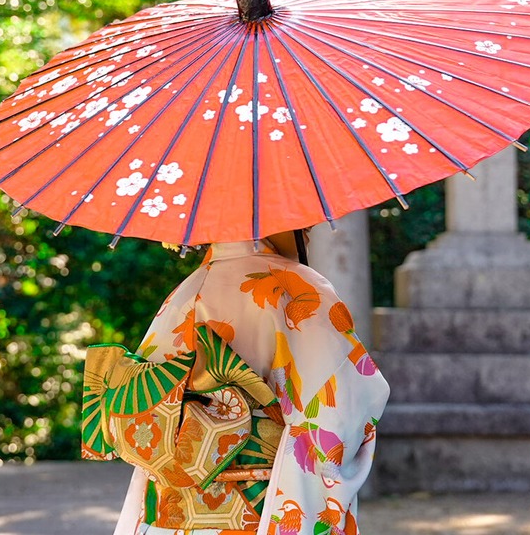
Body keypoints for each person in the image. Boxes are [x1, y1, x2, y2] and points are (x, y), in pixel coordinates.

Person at [84, 229, 390, 535]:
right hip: (259, 513)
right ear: (265, 209)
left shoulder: (183, 294)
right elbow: (341, 406)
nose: (309, 227)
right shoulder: (297, 286)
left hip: (169, 518)